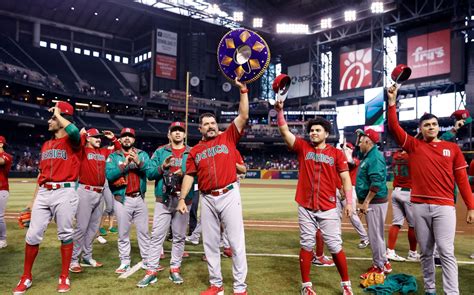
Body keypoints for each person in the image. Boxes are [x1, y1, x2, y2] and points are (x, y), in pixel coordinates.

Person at [387, 85, 474, 294]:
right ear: (421, 129)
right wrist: (392, 102)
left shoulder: (452, 148)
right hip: (419, 205)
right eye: (427, 125)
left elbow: (462, 180)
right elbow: (395, 128)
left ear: (438, 127)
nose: (432, 127)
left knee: (446, 251)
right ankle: (430, 289)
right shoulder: (414, 146)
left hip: (444, 206)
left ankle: (452, 292)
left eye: (434, 124)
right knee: (426, 252)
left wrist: (471, 207)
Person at [176, 78, 249, 295]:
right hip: (207, 198)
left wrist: (243, 90)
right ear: (200, 128)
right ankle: (216, 285)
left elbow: (243, 115)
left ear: (217, 126)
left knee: (236, 243)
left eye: (213, 123)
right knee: (210, 244)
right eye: (206, 124)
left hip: (228, 193)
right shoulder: (195, 151)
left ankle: (239, 288)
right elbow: (189, 175)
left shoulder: (227, 138)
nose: (210, 126)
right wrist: (182, 198)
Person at [275, 100, 354, 295]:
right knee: (306, 244)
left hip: (328, 206)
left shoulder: (336, 153)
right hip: (306, 205)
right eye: (311, 130)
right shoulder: (303, 147)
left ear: (326, 133)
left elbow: (345, 178)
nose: (314, 133)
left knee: (335, 246)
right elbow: (285, 132)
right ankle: (306, 286)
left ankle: (346, 285)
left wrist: (350, 203)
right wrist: (280, 111)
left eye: (318, 130)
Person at [13, 102, 81, 294]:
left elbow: (74, 131)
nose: (49, 121)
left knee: (66, 234)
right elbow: (40, 173)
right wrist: (33, 200)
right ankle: (26, 277)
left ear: (62, 118)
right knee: (32, 235)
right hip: (44, 191)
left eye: (53, 117)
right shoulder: (46, 144)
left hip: (65, 191)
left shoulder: (74, 140)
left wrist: (59, 114)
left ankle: (64, 276)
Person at [136, 122, 194, 287]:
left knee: (179, 237)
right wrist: (163, 166)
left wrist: (185, 175)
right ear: (169, 134)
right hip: (164, 199)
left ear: (184, 135)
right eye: (174, 131)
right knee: (157, 236)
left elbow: (197, 175)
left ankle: (175, 269)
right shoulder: (160, 152)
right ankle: (151, 271)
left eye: (180, 131)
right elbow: (150, 173)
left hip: (184, 200)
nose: (177, 133)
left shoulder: (191, 152)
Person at [69, 128, 121, 273]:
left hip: (100, 193)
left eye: (99, 137)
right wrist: (82, 134)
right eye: (95, 137)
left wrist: (114, 139)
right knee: (81, 227)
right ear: (88, 139)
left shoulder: (103, 152)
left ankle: (87, 256)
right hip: (85, 191)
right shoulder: (82, 151)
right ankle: (73, 260)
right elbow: (75, 144)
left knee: (93, 228)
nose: (99, 139)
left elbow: (118, 151)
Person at [105, 127, 151, 274]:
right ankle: (125, 261)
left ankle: (147, 259)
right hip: (122, 200)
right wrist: (124, 164)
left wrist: (138, 161)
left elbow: (150, 172)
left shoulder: (142, 154)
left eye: (129, 136)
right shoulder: (114, 156)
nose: (127, 138)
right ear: (120, 139)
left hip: (139, 198)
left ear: (134, 139)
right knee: (123, 233)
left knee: (144, 232)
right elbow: (110, 175)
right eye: (124, 136)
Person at [355, 128, 392, 280]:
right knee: (377, 234)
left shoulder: (374, 157)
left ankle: (379, 267)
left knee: (375, 235)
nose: (359, 144)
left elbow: (376, 183)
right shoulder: (369, 155)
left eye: (361, 140)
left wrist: (366, 202)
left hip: (374, 202)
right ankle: (384, 262)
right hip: (374, 202)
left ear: (368, 141)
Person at [385, 149, 420, 262]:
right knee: (413, 225)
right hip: (408, 192)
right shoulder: (411, 156)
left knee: (396, 223)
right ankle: (413, 253)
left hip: (396, 191)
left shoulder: (396, 156)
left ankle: (390, 251)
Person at [339, 141, 370, 249]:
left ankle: (365, 237)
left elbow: (349, 161)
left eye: (347, 148)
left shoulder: (355, 161)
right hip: (338, 189)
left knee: (352, 214)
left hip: (350, 190)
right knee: (335, 215)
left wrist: (344, 151)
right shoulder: (338, 160)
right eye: (343, 148)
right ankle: (336, 239)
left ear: (351, 150)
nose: (344, 149)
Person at [0, 135, 12, 249]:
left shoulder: (6, 156)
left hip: (2, 189)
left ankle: (3, 239)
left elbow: (1, 161)